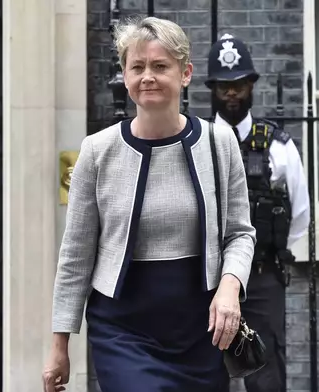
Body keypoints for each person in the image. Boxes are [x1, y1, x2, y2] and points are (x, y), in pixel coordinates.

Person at [42, 17, 257, 392]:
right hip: (124, 328)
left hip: (200, 325)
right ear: (124, 75)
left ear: (185, 73)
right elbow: (75, 254)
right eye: (136, 66)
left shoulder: (219, 143)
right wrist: (59, 344)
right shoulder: (98, 151)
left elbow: (240, 234)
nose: (147, 77)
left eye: (160, 66)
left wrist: (229, 288)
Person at [205, 34, 310, 392]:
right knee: (204, 370)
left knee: (266, 375)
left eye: (238, 85)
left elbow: (300, 214)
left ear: (251, 86)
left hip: (263, 276)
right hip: (207, 277)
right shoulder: (197, 142)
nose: (231, 93)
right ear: (212, 89)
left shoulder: (278, 146)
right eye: (223, 87)